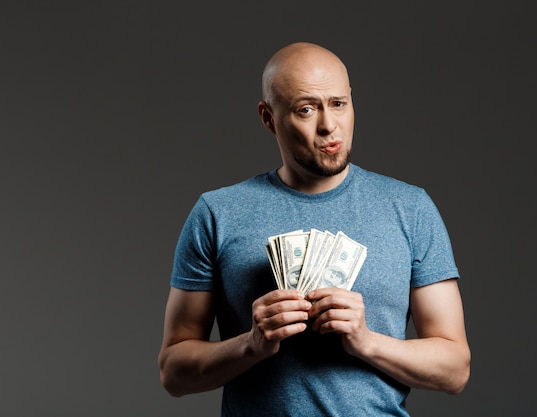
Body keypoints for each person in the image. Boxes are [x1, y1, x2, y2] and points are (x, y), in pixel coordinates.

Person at [158, 41, 470, 416]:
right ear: (268, 117)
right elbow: (174, 372)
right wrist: (251, 344)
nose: (328, 125)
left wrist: (366, 341)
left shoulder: (410, 208)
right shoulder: (217, 213)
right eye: (306, 109)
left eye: (339, 104)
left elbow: (455, 370)